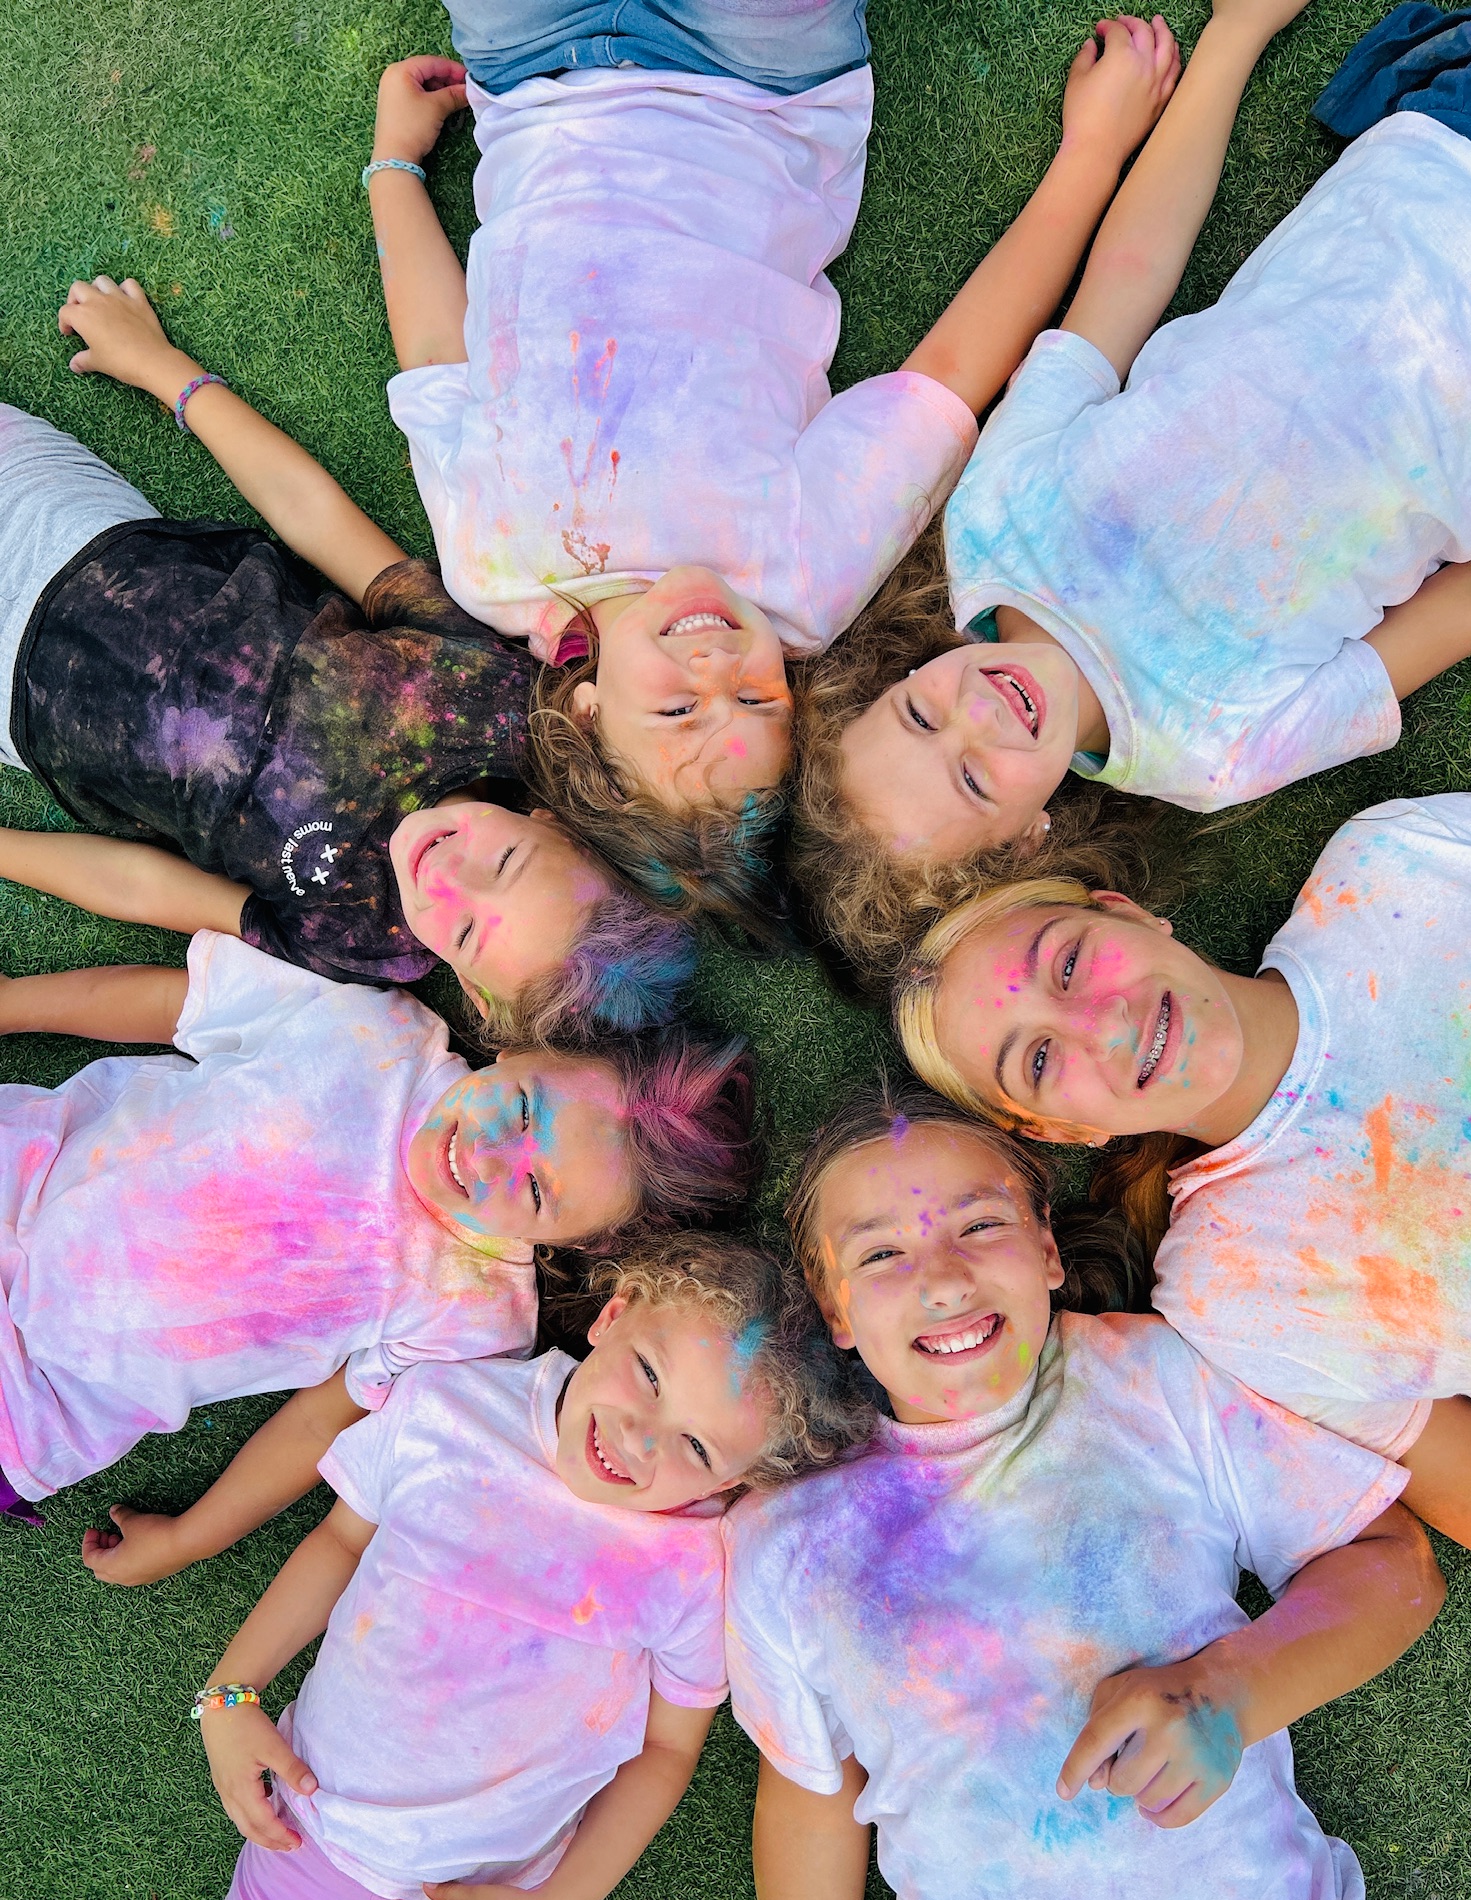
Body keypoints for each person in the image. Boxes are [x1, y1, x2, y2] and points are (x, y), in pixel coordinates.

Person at [365, 10, 1181, 926]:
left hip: (524, 83)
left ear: (586, 716)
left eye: (679, 713)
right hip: (752, 89)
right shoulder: (800, 580)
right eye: (755, 697)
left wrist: (392, 170)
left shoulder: (491, 568)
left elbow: (438, 360)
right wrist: (1093, 153)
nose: (717, 664)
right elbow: (949, 375)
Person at [804, 0, 1471, 981]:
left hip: (1458, 162)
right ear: (1030, 842)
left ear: (889, 681)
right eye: (975, 779)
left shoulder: (995, 523)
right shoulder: (1216, 750)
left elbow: (1132, 276)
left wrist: (1235, 36)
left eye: (920, 717)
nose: (977, 714)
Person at [727, 1079, 1442, 1900]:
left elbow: (1389, 1561)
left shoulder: (1149, 1379)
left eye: (979, 1225)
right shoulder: (785, 1539)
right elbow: (813, 1789)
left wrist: (1231, 1690)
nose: (942, 1280)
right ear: (835, 1308)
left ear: (1049, 1247)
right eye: (882, 1252)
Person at [196, 1234, 860, 1900]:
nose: (639, 1438)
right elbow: (339, 1543)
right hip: (296, 1867)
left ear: (732, 1484)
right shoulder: (449, 1408)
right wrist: (231, 1693)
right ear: (612, 1316)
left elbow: (666, 1751)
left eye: (696, 1446)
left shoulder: (696, 1567)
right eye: (649, 1375)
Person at [0, 277, 697, 1043]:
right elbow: (315, 516)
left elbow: (149, 885)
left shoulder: (360, 944)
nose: (448, 880)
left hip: (19, 709)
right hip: (73, 535)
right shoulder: (491, 699)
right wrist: (166, 369)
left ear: (472, 992)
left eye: (466, 935)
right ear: (553, 822)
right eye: (503, 864)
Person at [895, 790, 1471, 1586]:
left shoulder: (1397, 865)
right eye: (1039, 1060)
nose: (1103, 1024)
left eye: (1069, 963)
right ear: (1060, 1131)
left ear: (1128, 912)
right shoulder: (1233, 1298)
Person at [0, 932, 754, 1571]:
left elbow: (313, 1423)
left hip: (41, 1392)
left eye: (534, 1194)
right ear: (525, 1050)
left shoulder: (477, 1312)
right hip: (23, 1172)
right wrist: (12, 1004)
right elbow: (185, 1006)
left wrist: (193, 1538)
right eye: (524, 1110)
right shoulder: (382, 1035)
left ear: (582, 1242)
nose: (489, 1156)